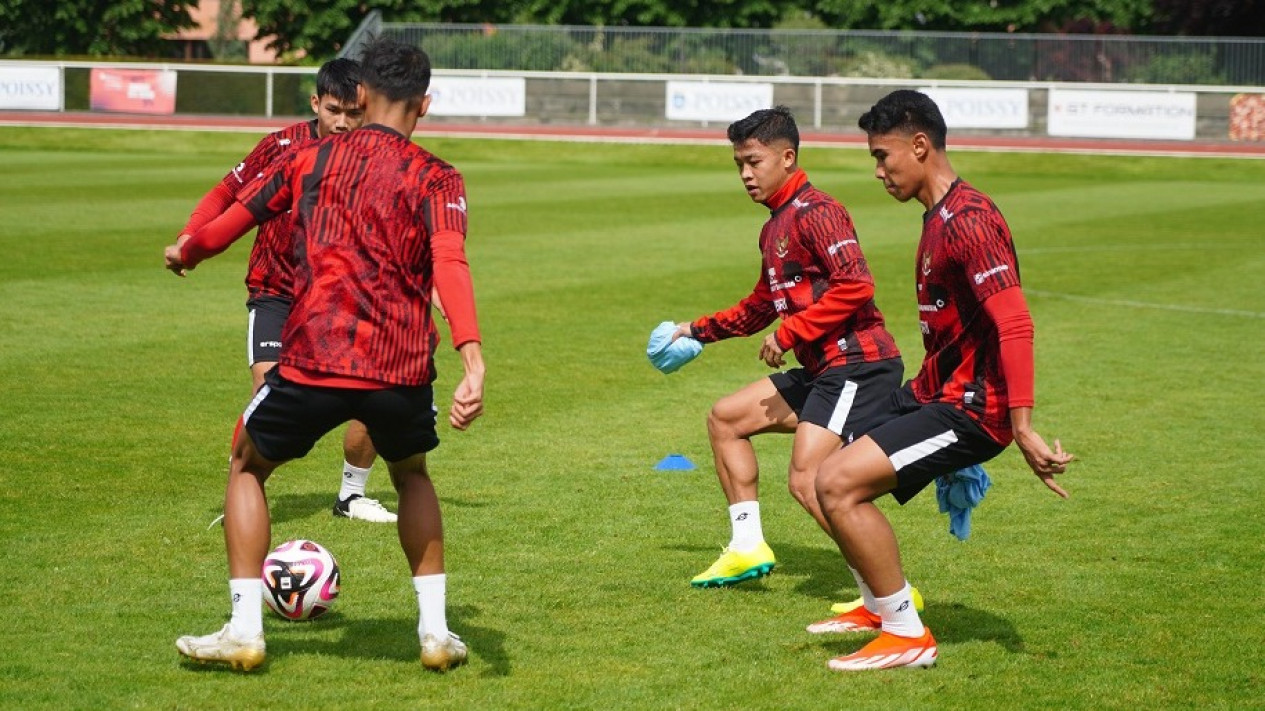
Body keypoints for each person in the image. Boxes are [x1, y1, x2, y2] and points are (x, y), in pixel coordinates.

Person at [165, 37, 485, 672]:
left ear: (359, 94)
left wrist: (189, 251)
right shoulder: (438, 176)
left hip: (313, 357)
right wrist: (472, 358)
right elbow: (451, 262)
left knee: (248, 466)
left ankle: (245, 630)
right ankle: (434, 635)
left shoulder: (307, 158)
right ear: (425, 102)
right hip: (399, 367)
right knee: (412, 474)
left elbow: (233, 222)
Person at [808, 89, 1073, 671]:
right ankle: (881, 607)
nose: (878, 170)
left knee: (837, 484)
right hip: (937, 392)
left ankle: (906, 634)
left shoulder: (970, 220)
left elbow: (1015, 322)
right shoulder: (939, 217)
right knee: (818, 471)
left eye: (883, 156)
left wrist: (1022, 426)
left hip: (976, 410)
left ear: (920, 146)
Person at [673, 106, 906, 593]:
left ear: (787, 157)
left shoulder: (819, 212)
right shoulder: (775, 226)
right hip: (826, 369)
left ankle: (885, 594)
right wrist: (694, 331)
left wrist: (791, 332)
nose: (744, 174)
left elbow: (857, 284)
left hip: (858, 364)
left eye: (753, 162)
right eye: (738, 163)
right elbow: (762, 305)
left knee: (808, 480)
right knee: (726, 419)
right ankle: (746, 546)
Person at [178, 57, 397, 524]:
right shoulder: (281, 147)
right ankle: (242, 491)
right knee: (268, 395)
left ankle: (351, 496)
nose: (342, 122)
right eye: (334, 109)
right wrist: (189, 235)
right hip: (276, 290)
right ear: (316, 103)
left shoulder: (376, 157)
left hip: (340, 297)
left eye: (354, 113)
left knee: (373, 389)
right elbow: (224, 194)